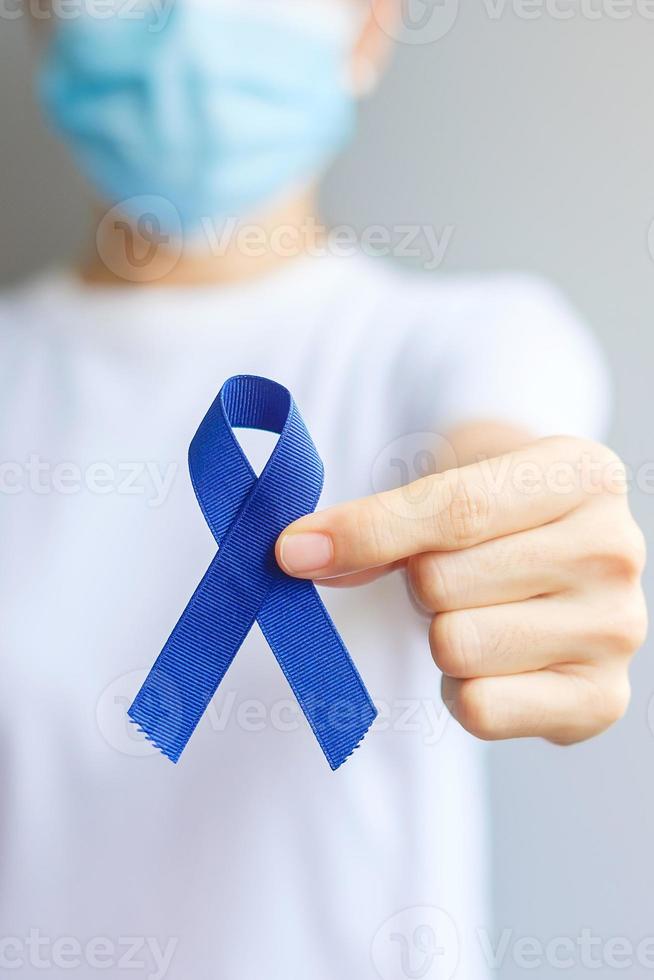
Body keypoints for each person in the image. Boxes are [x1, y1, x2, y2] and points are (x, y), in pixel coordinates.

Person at [0, 0, 646, 977]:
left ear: (370, 29)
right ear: (40, 21)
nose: (187, 28)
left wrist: (539, 561)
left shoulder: (466, 340)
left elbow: (514, 453)